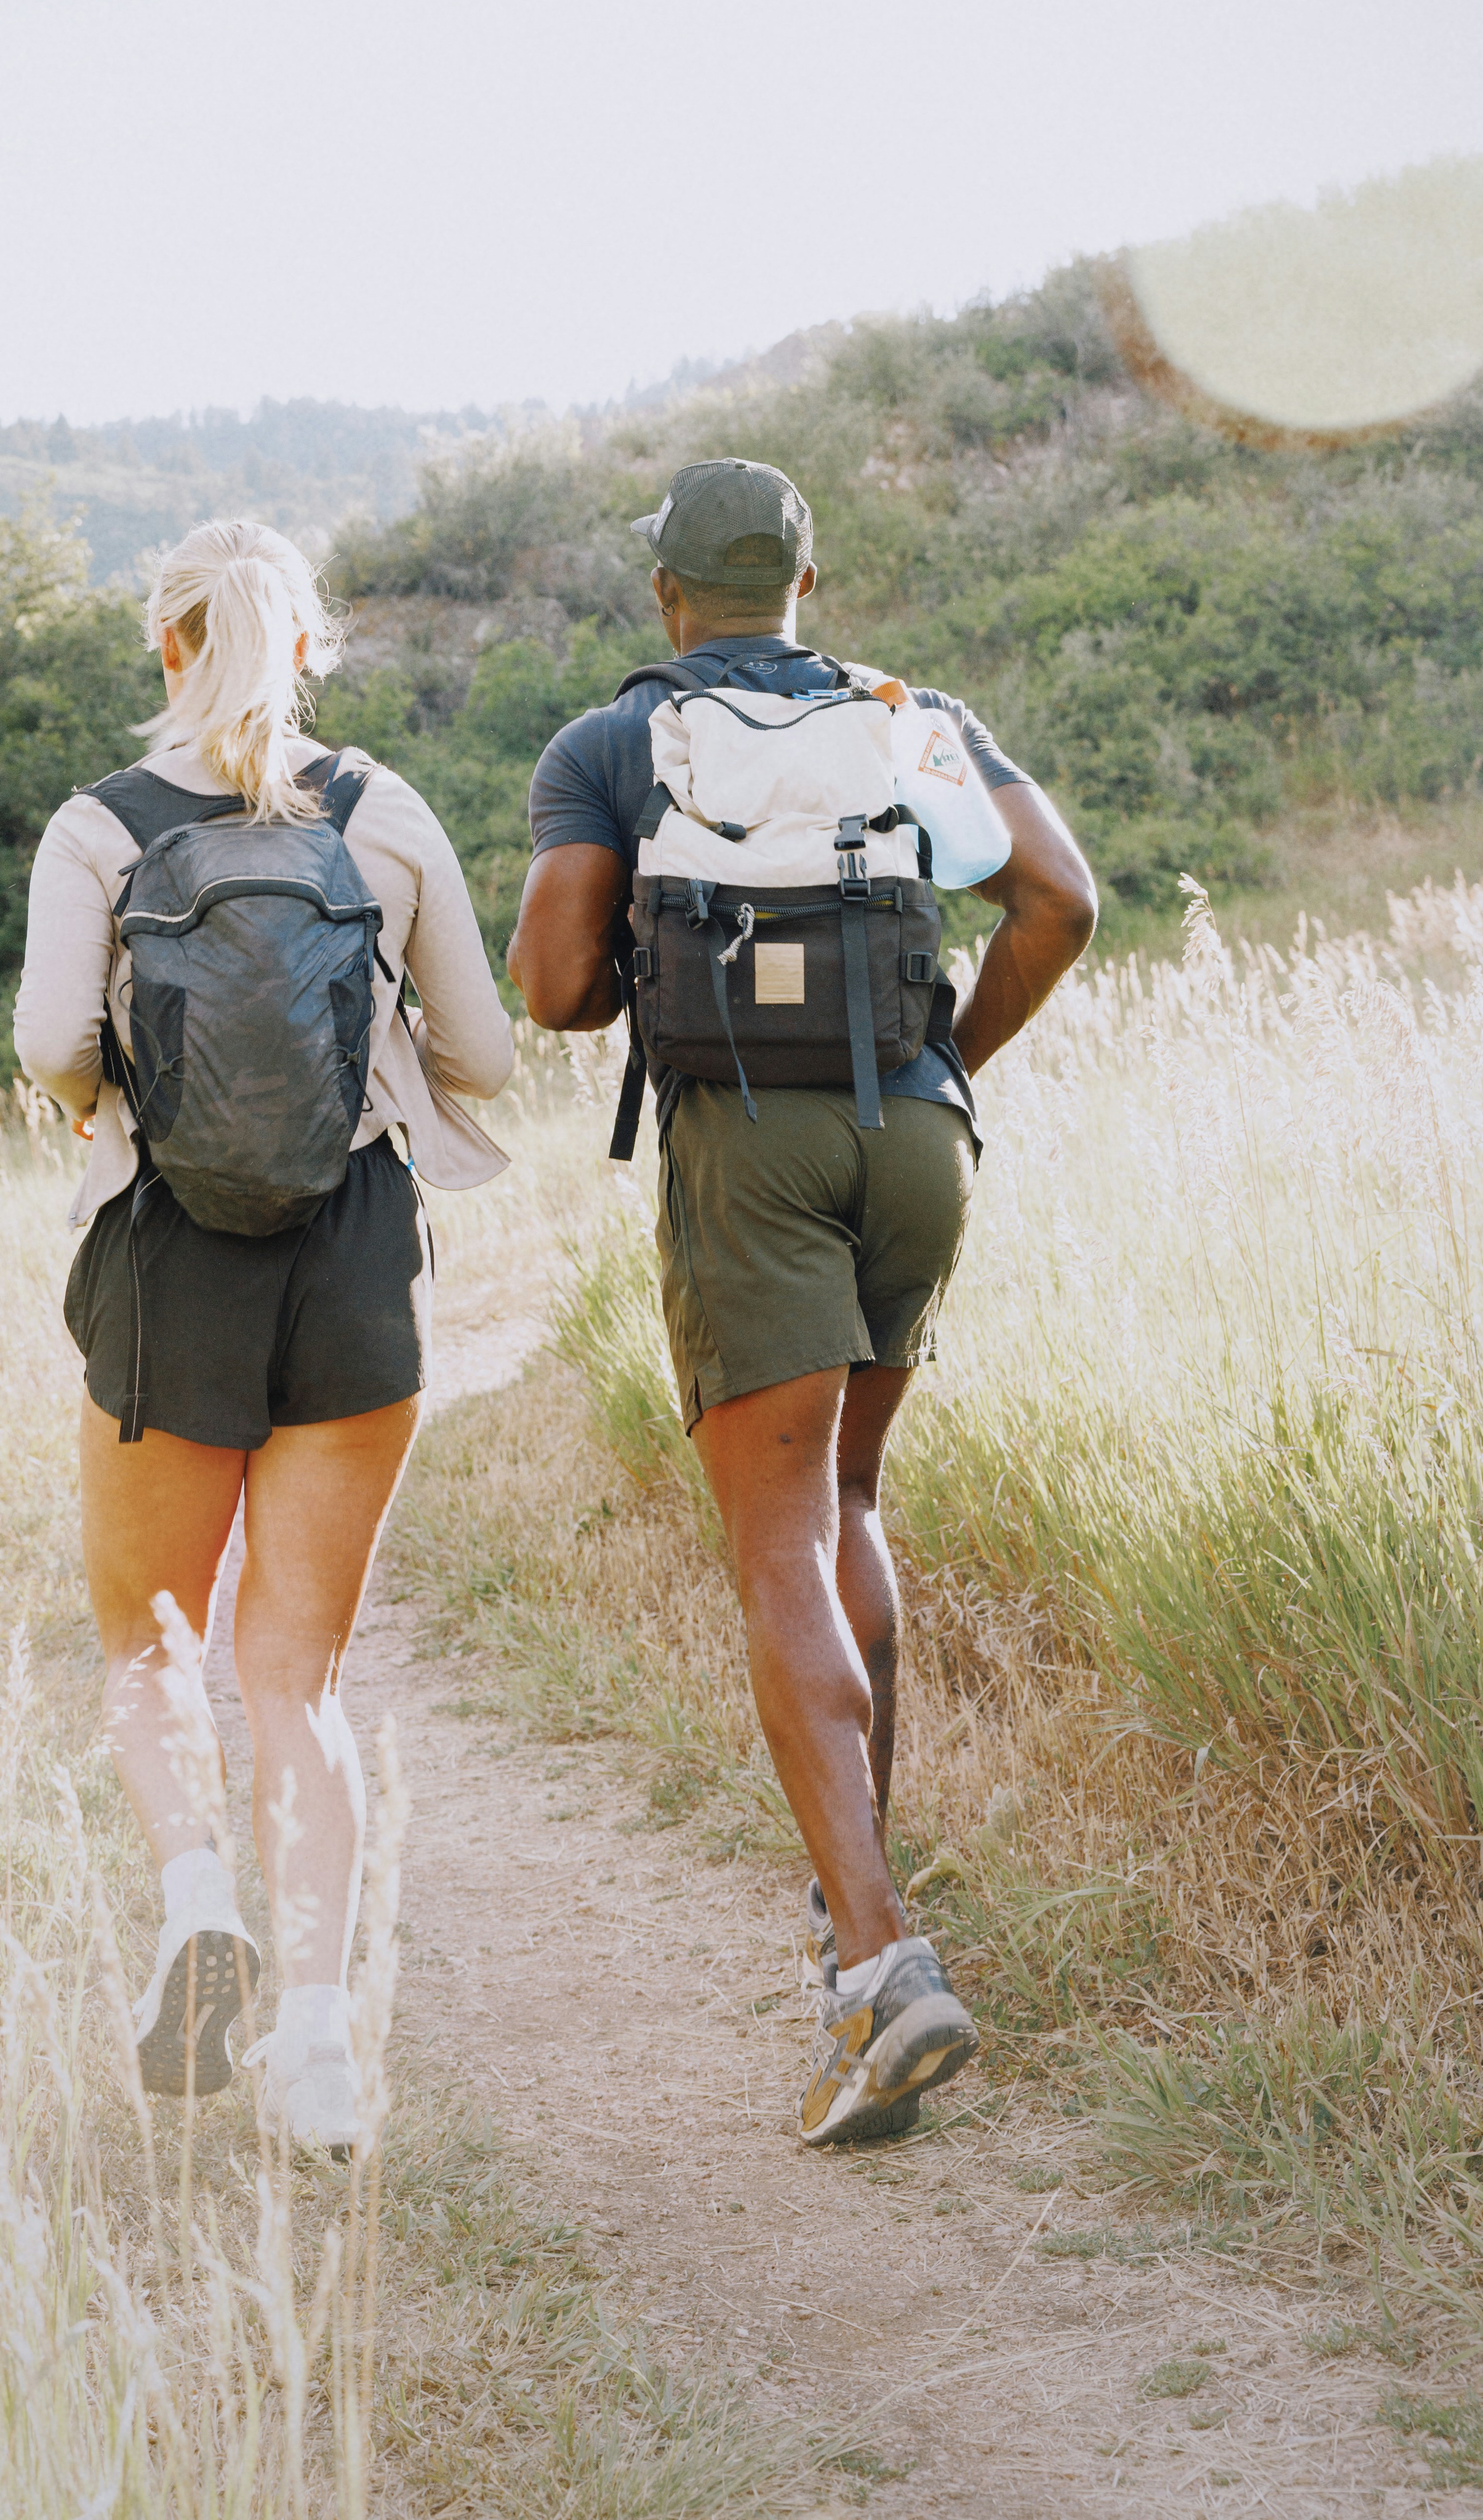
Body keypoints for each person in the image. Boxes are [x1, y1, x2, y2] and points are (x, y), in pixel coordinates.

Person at [508, 459, 1095, 2151]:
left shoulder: (613, 743)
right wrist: (938, 1062)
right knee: (851, 1498)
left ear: (666, 595)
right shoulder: (915, 721)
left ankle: (878, 1955)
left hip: (746, 1147)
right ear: (806, 584)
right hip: (916, 1138)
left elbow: (554, 985)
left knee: (778, 1542)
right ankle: (861, 1918)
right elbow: (1061, 899)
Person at [17, 518, 514, 2155]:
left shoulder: (100, 828)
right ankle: (314, 2052)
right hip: (356, 1256)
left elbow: (49, 1040)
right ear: (309, 648)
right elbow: (488, 1059)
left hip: (168, 1257)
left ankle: (195, 1904)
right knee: (297, 1679)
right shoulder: (385, 813)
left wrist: (114, 1094)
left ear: (166, 643)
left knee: (150, 1644)